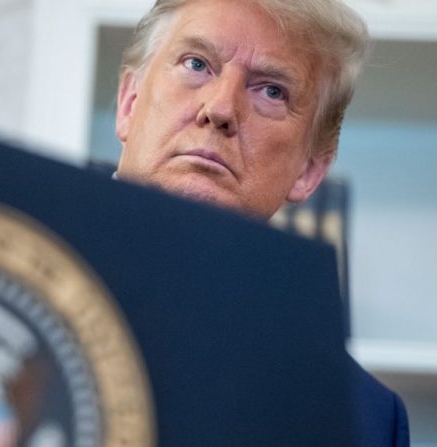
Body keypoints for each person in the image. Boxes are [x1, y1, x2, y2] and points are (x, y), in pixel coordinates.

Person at [113, 0, 410, 445]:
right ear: (129, 104)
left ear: (309, 170)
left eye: (271, 91)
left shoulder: (364, 418)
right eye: (197, 64)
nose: (220, 109)